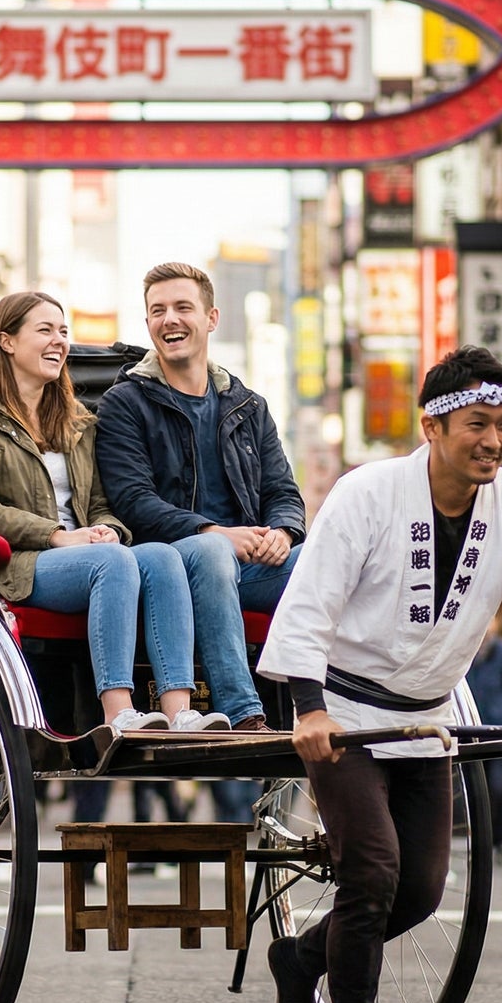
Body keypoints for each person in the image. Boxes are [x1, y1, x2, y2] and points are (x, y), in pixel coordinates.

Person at [255, 346, 502, 1003]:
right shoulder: (368, 492)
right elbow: (311, 598)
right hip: (342, 710)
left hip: (427, 716)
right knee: (372, 873)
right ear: (432, 427)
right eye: (477, 424)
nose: (494, 441)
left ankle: (299, 959)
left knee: (420, 891)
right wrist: (309, 708)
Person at [0, 290, 228, 733]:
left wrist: (107, 529)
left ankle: (179, 710)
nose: (59, 341)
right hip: (17, 563)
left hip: (86, 554)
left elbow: (98, 505)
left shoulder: (74, 420)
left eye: (63, 331)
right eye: (45, 330)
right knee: (113, 562)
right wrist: (58, 536)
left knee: (161, 556)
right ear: (7, 341)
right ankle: (118, 711)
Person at [95, 261, 309, 730]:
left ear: (211, 318)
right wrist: (213, 531)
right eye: (158, 311)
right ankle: (244, 713)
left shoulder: (248, 405)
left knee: (328, 561)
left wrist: (284, 532)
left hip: (247, 563)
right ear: (147, 322)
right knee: (212, 552)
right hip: (168, 562)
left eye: (182, 307)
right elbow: (133, 500)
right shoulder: (125, 403)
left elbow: (282, 490)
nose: (169, 319)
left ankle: (342, 708)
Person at [464, 624, 502, 856]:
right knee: (477, 788)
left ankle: (501, 836)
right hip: (473, 729)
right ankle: (483, 838)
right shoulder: (466, 649)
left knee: (501, 786)